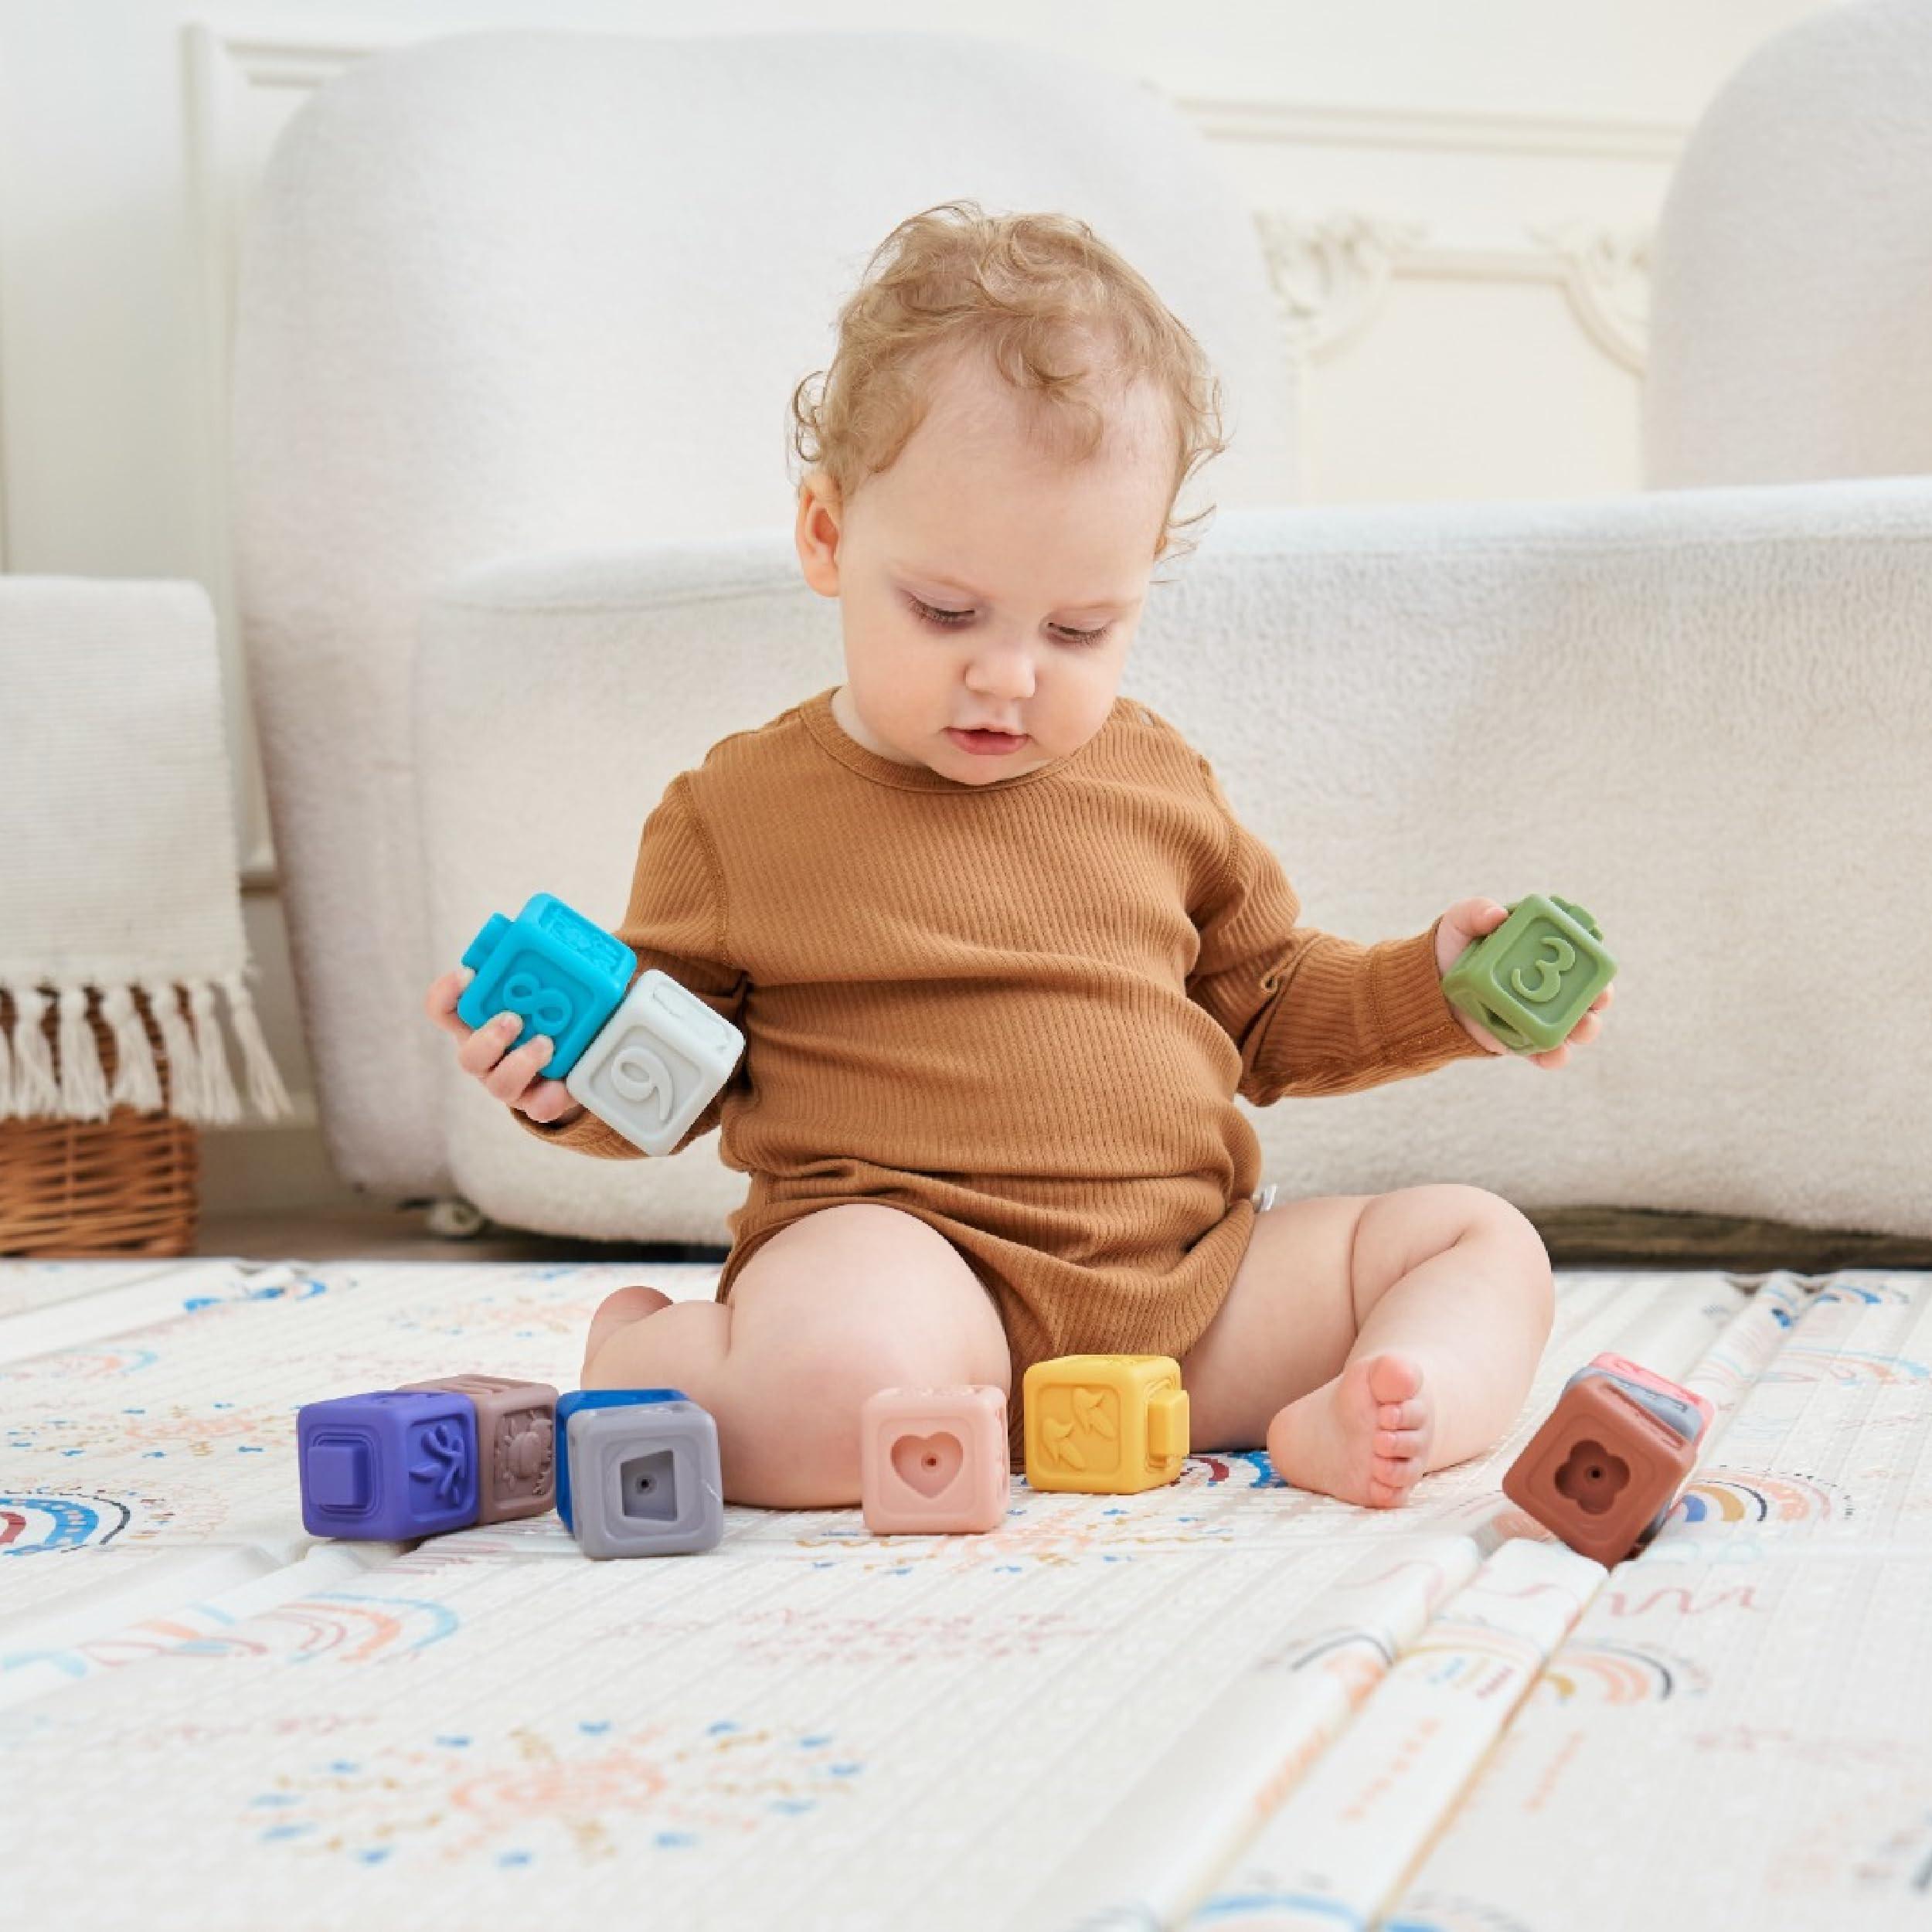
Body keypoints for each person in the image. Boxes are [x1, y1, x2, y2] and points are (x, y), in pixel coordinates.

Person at [424, 199, 1611, 1515]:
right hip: (909, 1273)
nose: (1008, 674)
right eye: (946, 611)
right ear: (828, 537)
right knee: (843, 1397)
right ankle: (649, 1351)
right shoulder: (739, 812)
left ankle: (1376, 1403)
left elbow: (1264, 1007)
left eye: (1081, 627)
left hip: (1188, 1294)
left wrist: (1437, 992)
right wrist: (560, 1086)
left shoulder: (1157, 781)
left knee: (1475, 1240)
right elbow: (672, 1073)